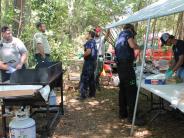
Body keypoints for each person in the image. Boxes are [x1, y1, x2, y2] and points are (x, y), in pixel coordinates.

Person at [115, 24, 143, 125]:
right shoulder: (128, 33)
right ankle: (133, 117)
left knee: (123, 89)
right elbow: (132, 45)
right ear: (131, 29)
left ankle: (122, 113)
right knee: (132, 90)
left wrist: (133, 55)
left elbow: (126, 51)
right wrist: (138, 47)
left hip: (120, 67)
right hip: (127, 67)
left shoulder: (119, 37)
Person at [79, 30, 97, 100]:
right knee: (91, 78)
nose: (86, 35)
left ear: (90, 35)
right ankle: (92, 94)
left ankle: (83, 95)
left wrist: (83, 55)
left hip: (89, 62)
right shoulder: (94, 42)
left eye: (87, 34)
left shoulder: (89, 42)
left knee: (85, 77)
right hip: (93, 62)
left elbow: (88, 52)